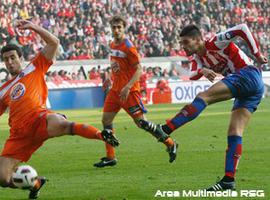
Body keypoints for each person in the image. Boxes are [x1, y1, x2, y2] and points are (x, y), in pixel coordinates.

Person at [139, 24, 268, 190]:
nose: (183, 46)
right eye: (181, 43)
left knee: (203, 97)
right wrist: (203, 70)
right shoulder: (198, 59)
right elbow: (192, 75)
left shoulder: (215, 42)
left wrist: (256, 53)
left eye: (186, 42)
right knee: (234, 132)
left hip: (247, 74)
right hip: (250, 89)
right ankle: (228, 180)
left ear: (198, 39)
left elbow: (242, 29)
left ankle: (166, 129)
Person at [0, 20, 118, 199]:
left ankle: (101, 135)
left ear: (20, 58)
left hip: (40, 119)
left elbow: (54, 43)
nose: (9, 62)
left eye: (13, 58)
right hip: (19, 135)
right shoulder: (3, 91)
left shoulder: (34, 67)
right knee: (2, 178)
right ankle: (36, 183)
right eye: (6, 59)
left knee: (62, 123)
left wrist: (34, 27)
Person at [93, 15, 178, 168]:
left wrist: (127, 86)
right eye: (114, 27)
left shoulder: (128, 47)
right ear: (111, 28)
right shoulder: (112, 44)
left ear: (124, 28)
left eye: (119, 27)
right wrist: (109, 77)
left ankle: (170, 143)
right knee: (106, 121)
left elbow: (139, 69)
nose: (117, 30)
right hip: (115, 91)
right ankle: (110, 156)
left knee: (142, 124)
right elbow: (117, 65)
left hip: (129, 92)